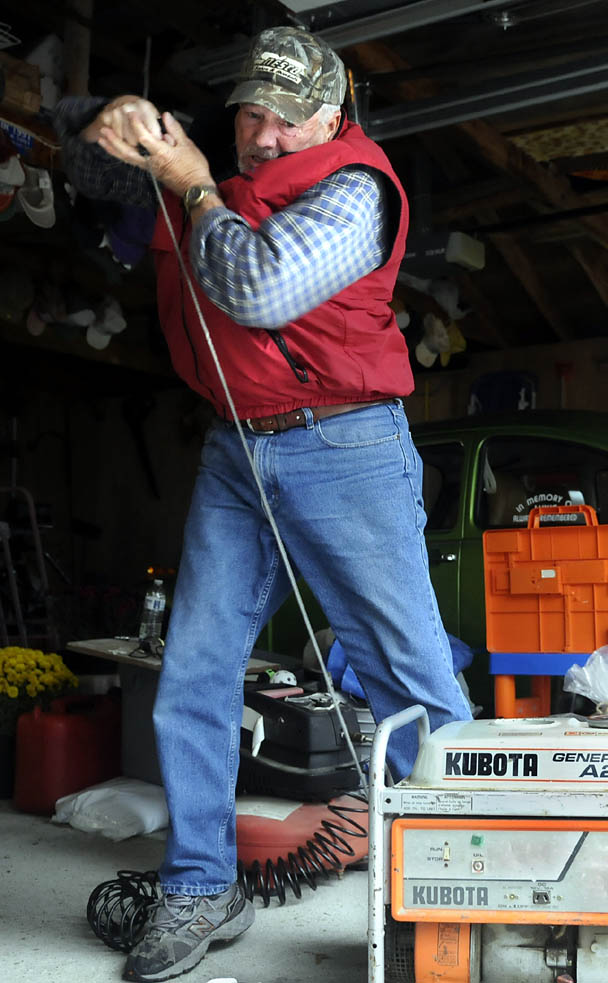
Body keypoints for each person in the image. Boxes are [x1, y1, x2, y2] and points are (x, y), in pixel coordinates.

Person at [54, 25, 473, 983]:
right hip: (236, 449)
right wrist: (107, 121)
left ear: (333, 117)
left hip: (347, 445)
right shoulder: (220, 168)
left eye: (289, 118)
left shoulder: (356, 191)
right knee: (195, 666)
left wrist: (193, 178)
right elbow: (92, 168)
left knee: (408, 676)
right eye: (252, 112)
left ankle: (458, 880)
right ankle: (201, 883)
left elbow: (257, 287)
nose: (266, 134)